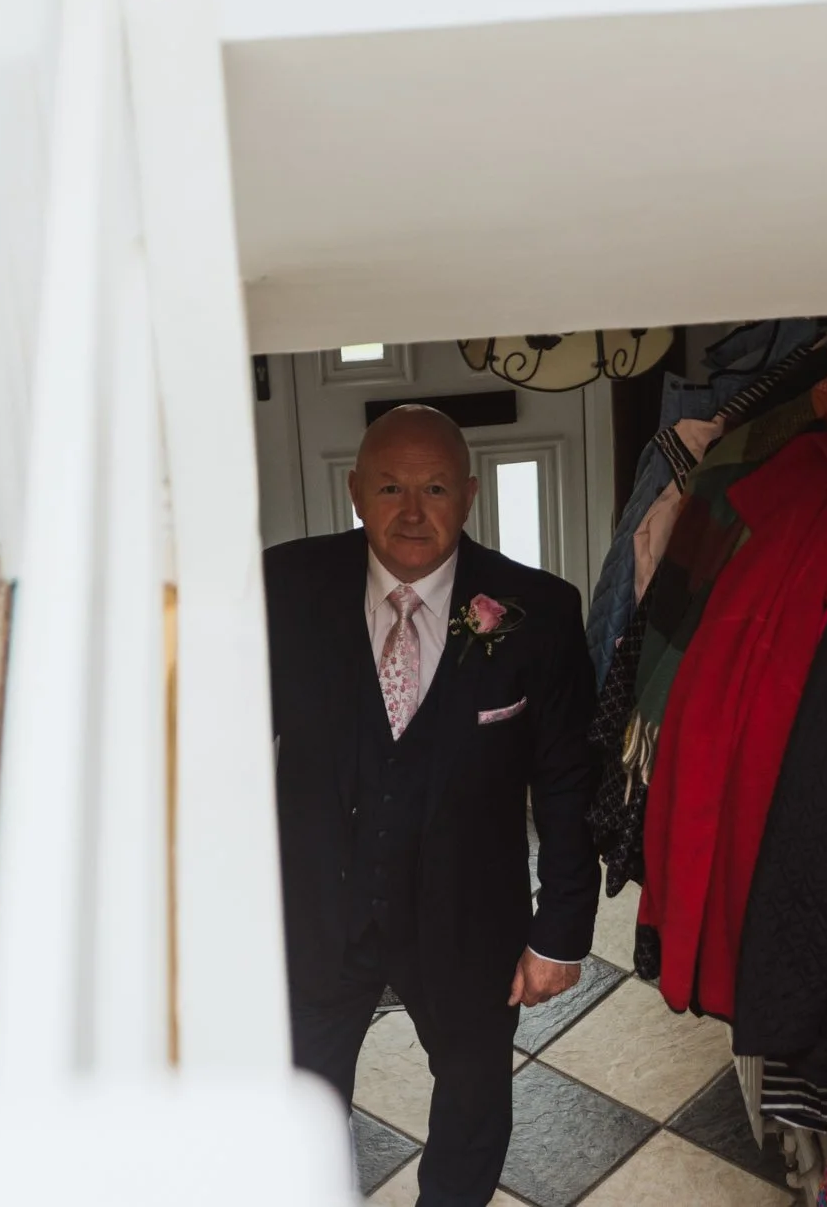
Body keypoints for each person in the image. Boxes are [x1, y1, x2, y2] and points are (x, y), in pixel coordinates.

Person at [263, 404, 599, 1206]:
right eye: (389, 487)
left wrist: (559, 931)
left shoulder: (540, 612)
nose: (412, 511)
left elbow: (567, 781)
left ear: (470, 495)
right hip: (320, 910)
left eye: (436, 487)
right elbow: (220, 745)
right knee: (296, 1105)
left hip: (467, 918)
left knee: (475, 1099)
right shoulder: (283, 585)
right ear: (355, 491)